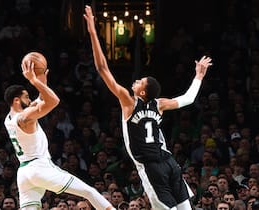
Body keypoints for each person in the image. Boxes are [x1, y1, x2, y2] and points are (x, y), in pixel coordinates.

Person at [84, 5, 213, 210]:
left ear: (143, 92)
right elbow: (188, 99)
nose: (135, 81)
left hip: (152, 167)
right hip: (169, 162)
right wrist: (198, 76)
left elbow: (102, 68)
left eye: (140, 82)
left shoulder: (128, 102)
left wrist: (92, 31)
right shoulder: (159, 104)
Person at [3, 54, 116, 210]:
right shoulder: (24, 118)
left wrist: (41, 79)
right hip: (40, 167)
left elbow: (41, 99)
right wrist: (34, 81)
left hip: (24, 172)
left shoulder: (9, 119)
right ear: (16, 100)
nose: (30, 100)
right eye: (26, 97)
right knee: (89, 192)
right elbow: (53, 101)